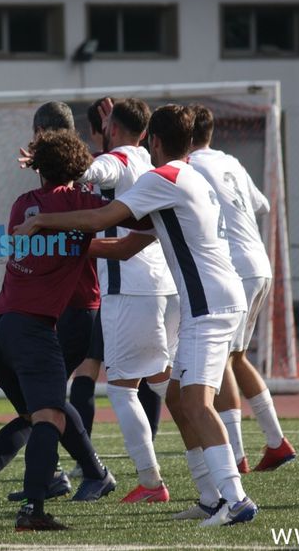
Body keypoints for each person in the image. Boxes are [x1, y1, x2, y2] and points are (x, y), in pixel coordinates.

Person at [15, 104, 258, 527]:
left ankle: (235, 500)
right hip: (208, 300)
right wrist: (73, 247)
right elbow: (127, 245)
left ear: (154, 141)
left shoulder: (161, 179)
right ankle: (208, 496)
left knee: (197, 403)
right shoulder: (185, 178)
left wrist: (45, 222)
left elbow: (101, 217)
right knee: (180, 398)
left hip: (209, 305)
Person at [0, 126, 125, 532]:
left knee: (36, 415)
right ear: (78, 167)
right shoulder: (80, 203)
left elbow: (72, 235)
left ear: (38, 169)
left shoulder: (22, 205)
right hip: (31, 329)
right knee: (51, 417)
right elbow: (115, 213)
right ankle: (34, 508)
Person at [74, 97, 179, 503]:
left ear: (112, 129)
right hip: (163, 284)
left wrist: (56, 161)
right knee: (163, 380)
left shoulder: (116, 160)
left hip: (130, 287)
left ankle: (153, 483)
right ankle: (219, 452)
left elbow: (94, 169)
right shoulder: (149, 162)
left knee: (122, 388)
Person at [188, 104, 296, 473]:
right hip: (258, 263)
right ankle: (276, 441)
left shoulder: (191, 168)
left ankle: (236, 455)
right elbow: (262, 205)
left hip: (234, 269)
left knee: (220, 363)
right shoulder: (229, 160)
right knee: (236, 357)